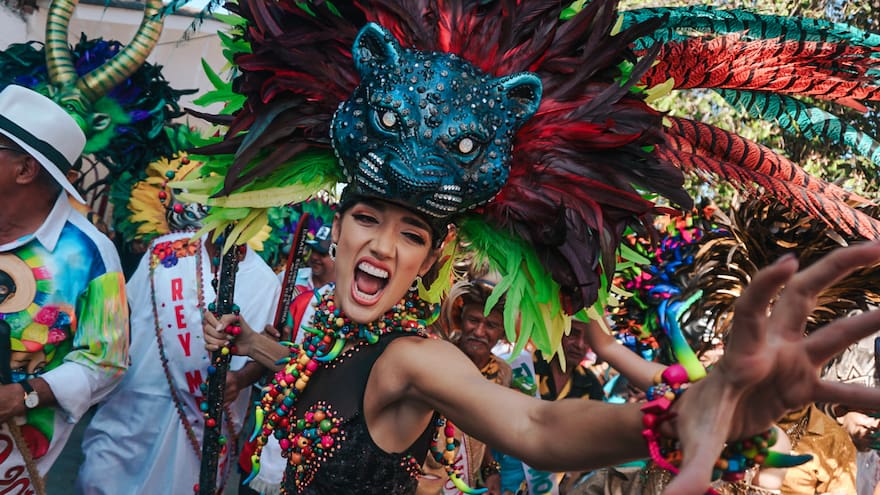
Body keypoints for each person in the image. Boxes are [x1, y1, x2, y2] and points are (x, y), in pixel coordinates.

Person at [189, 3, 880, 494]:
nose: (383, 246)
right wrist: (254, 344)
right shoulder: (335, 335)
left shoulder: (412, 358)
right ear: (338, 228)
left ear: (434, 257)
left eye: (413, 233)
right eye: (369, 218)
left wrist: (683, 417)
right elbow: (315, 370)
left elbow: (537, 421)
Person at [75, 170, 281, 494]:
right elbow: (123, 318)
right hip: (131, 411)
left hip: (198, 428)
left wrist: (238, 381)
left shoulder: (266, 282)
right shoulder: (165, 251)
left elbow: (262, 353)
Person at [0, 84, 129, 491]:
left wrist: (23, 397)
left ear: (25, 169)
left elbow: (106, 362)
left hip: (12, 466)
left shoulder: (90, 254)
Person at [418, 275, 511, 495]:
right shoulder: (435, 356)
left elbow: (488, 429)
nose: (479, 332)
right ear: (461, 319)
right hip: (422, 475)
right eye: (473, 320)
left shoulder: (503, 373)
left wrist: (490, 469)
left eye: (491, 325)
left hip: (464, 479)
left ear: (502, 332)